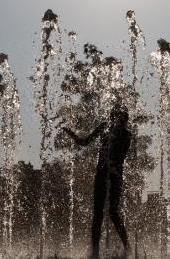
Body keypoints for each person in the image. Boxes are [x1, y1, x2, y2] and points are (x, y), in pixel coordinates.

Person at [61, 102, 133, 258]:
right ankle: (95, 253)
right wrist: (72, 134)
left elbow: (121, 157)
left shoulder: (126, 135)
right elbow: (84, 142)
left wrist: (112, 164)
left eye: (121, 118)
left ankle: (128, 250)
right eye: (115, 117)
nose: (117, 120)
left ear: (124, 120)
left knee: (113, 212)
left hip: (115, 176)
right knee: (98, 214)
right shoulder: (104, 127)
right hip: (101, 175)